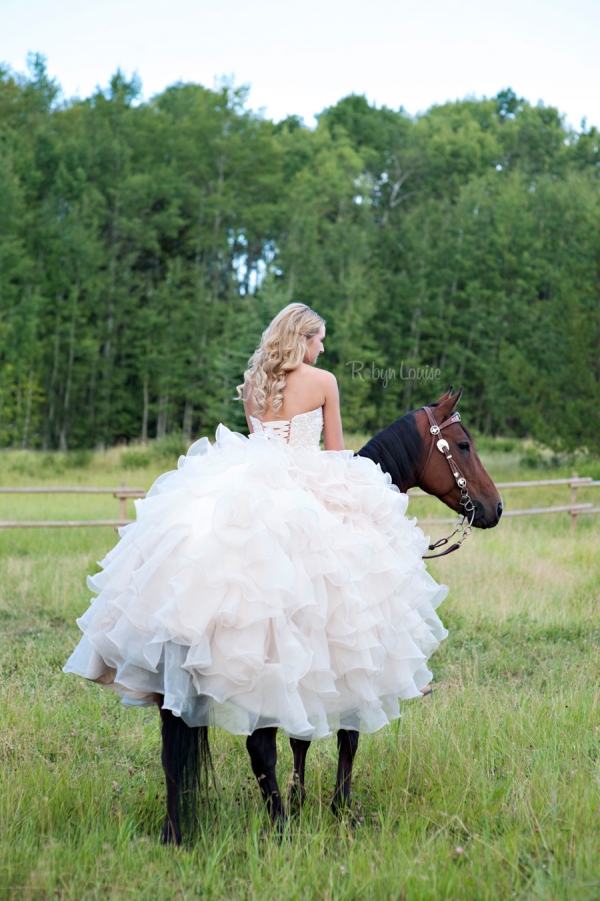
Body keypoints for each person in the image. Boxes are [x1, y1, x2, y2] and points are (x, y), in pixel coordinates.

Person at [64, 303, 448, 740]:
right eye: (319, 339)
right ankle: (380, 675)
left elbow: (260, 441)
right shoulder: (324, 382)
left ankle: (226, 670)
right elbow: (337, 455)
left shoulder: (253, 385)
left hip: (251, 480)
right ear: (302, 339)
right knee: (358, 576)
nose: (322, 348)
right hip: (305, 483)